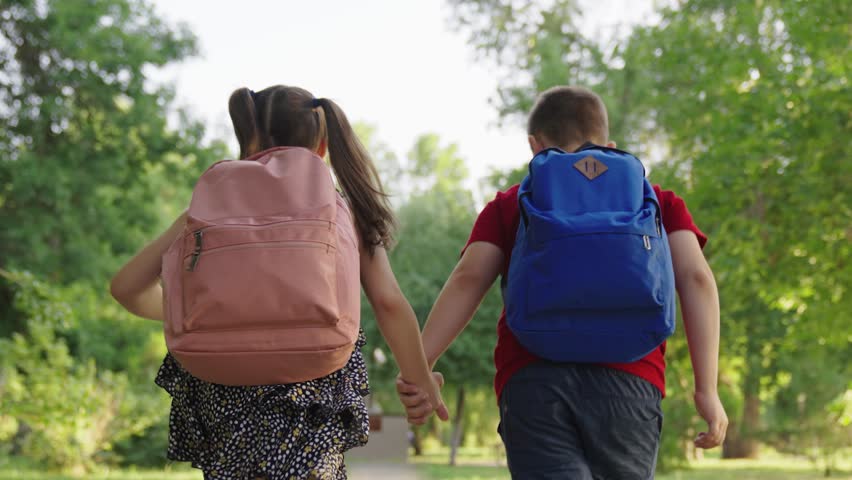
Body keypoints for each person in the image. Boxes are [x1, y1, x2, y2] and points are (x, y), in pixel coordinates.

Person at [110, 85, 448, 480]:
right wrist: (420, 380)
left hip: (226, 396)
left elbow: (126, 288)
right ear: (322, 145)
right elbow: (388, 302)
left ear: (251, 135)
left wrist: (195, 314)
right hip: (312, 396)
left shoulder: (205, 214)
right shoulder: (344, 210)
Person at [396, 86, 728, 479]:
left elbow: (468, 279)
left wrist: (421, 366)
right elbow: (696, 280)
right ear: (608, 146)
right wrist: (706, 389)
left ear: (535, 146)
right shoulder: (656, 202)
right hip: (629, 380)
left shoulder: (512, 204)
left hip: (534, 380)